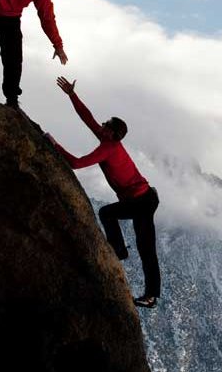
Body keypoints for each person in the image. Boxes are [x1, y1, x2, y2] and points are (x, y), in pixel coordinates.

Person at [45, 76, 161, 309]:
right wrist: (72, 95)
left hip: (142, 201)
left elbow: (76, 164)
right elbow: (87, 117)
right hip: (144, 198)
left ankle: (119, 252)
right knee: (145, 247)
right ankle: (149, 293)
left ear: (112, 133)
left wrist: (54, 144)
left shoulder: (108, 148)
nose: (102, 124)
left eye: (106, 124)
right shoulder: (108, 139)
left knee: (108, 214)